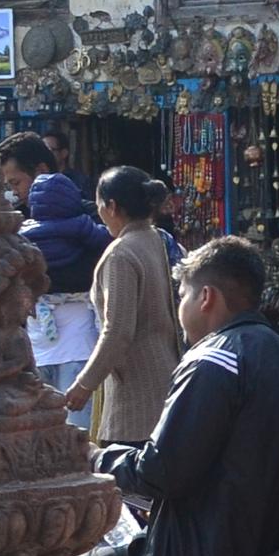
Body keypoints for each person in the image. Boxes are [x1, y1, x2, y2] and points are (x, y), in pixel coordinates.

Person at [65, 238, 279, 556]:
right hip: (259, 549)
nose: (180, 307)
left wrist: (94, 459)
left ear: (206, 297)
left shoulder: (212, 361)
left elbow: (162, 470)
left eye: (182, 295)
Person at [69, 166, 183, 447]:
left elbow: (117, 331)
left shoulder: (121, 253)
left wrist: (84, 384)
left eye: (99, 205)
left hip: (136, 392)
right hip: (167, 374)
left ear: (112, 206)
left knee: (130, 484)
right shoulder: (156, 239)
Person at [6, 134, 112, 418]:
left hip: (78, 349)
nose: (13, 193)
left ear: (40, 171)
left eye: (15, 183)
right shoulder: (90, 228)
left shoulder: (19, 235)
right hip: (37, 348)